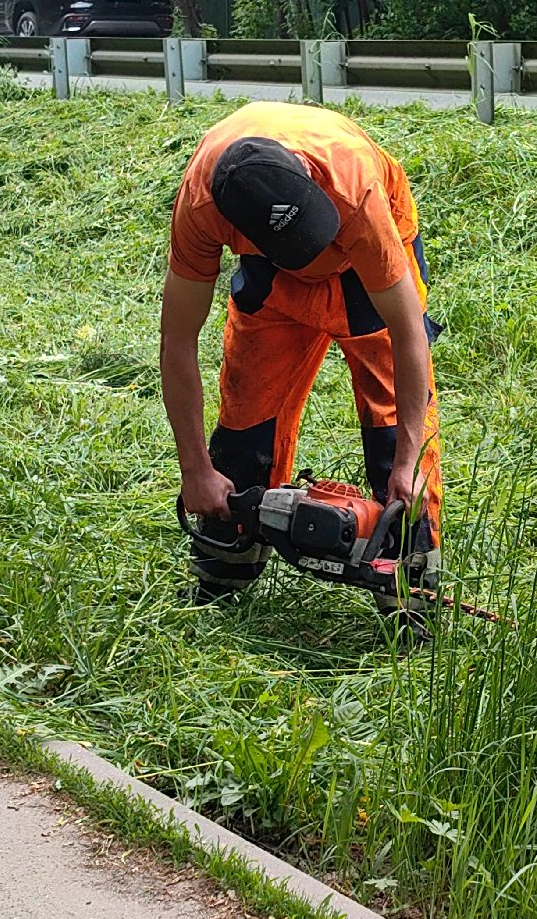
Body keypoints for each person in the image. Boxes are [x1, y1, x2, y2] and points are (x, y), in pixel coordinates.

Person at [159, 102, 443, 611]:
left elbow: (407, 332)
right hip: (273, 281)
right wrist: (195, 470)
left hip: (364, 265)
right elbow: (177, 341)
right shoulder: (201, 206)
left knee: (392, 421)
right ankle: (224, 567)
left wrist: (408, 461)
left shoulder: (355, 189)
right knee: (247, 413)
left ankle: (409, 591)